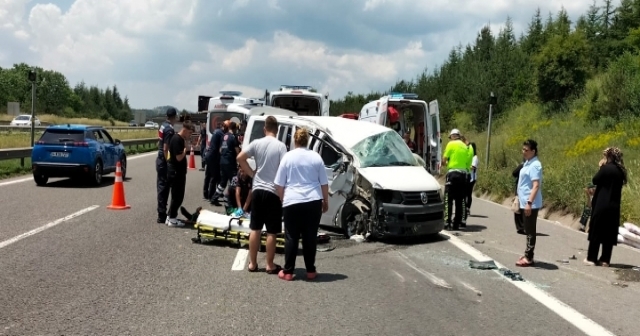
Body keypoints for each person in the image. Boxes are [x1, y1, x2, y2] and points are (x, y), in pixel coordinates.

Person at [274, 128, 329, 281]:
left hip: (292, 200)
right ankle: (310, 270)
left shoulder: (288, 157)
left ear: (295, 140)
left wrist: (282, 199)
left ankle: (288, 272)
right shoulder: (316, 157)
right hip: (313, 201)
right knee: (309, 236)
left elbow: (279, 184)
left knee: (291, 236)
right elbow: (324, 183)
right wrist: (325, 201)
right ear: (308, 141)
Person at [237, 116, 288, 274]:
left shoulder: (256, 143)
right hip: (273, 191)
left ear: (265, 129)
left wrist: (252, 174)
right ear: (277, 130)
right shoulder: (281, 147)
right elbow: (284, 170)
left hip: (258, 190)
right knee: (272, 231)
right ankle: (269, 265)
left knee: (255, 228)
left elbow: (240, 158)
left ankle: (252, 264)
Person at [584, 147, 627, 267]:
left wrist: (601, 168)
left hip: (601, 204)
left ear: (609, 157)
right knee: (609, 232)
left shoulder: (606, 168)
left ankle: (591, 258)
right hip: (614, 205)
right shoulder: (620, 171)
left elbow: (595, 180)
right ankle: (605, 259)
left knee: (596, 230)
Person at [516, 139, 543, 267]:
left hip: (530, 203)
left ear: (533, 151)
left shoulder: (535, 165)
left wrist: (529, 202)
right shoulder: (528, 163)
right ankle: (527, 253)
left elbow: (535, 185)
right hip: (524, 201)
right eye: (523, 149)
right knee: (527, 229)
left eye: (526, 150)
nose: (524, 152)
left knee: (530, 230)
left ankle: (529, 257)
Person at [442, 129, 471, 230]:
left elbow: (444, 159)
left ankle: (447, 222)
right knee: (459, 200)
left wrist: (445, 164)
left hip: (452, 174)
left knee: (448, 199)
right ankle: (456, 223)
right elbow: (468, 161)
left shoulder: (451, 144)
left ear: (453, 136)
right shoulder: (465, 146)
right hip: (463, 175)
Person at [166, 121, 194, 227]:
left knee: (175, 195)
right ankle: (173, 219)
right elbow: (179, 158)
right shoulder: (177, 139)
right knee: (178, 196)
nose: (189, 135)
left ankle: (170, 216)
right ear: (185, 130)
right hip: (176, 172)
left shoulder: (179, 138)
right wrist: (185, 150)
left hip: (177, 171)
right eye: (190, 133)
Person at [156, 108, 177, 224]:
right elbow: (165, 148)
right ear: (174, 117)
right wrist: (169, 161)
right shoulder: (169, 129)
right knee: (164, 187)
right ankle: (162, 214)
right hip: (164, 160)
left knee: (161, 185)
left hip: (159, 159)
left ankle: (161, 212)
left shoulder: (162, 125)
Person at [213, 121, 240, 206]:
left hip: (222, 161)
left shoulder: (224, 136)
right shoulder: (233, 137)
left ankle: (214, 198)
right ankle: (230, 200)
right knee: (234, 181)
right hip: (230, 163)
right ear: (234, 128)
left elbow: (220, 150)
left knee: (223, 182)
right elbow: (237, 151)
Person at [204, 122, 224, 203]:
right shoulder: (221, 134)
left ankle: (206, 194)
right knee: (214, 177)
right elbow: (220, 148)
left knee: (208, 176)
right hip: (213, 157)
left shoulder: (216, 132)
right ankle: (211, 196)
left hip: (209, 155)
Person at [512, 161, 525, 235]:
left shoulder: (523, 165)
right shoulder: (535, 165)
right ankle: (524, 227)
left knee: (518, 208)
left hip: (520, 189)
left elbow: (514, 173)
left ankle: (520, 227)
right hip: (529, 190)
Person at [466, 142, 478, 216]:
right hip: (466, 177)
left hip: (472, 178)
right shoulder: (469, 156)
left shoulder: (475, 157)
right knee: (464, 193)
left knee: (468, 193)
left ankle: (468, 208)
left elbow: (473, 167)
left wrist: (465, 165)